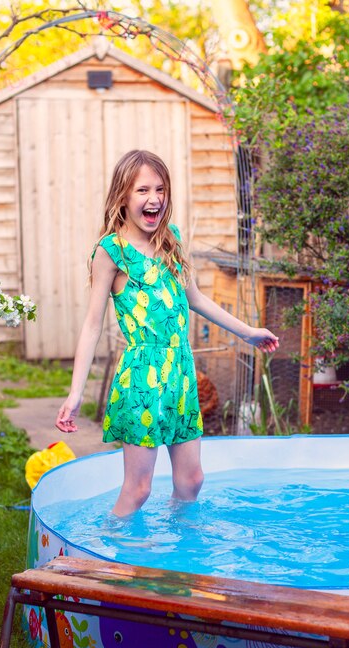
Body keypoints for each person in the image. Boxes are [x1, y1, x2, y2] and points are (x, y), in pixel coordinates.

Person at [56, 149, 279, 517]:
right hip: (142, 378)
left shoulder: (170, 240)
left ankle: (177, 556)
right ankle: (107, 561)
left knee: (192, 481)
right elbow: (93, 324)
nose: (154, 198)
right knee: (140, 489)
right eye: (143, 190)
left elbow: (196, 300)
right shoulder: (111, 252)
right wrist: (76, 392)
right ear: (123, 197)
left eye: (160, 189)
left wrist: (248, 332)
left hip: (180, 374)